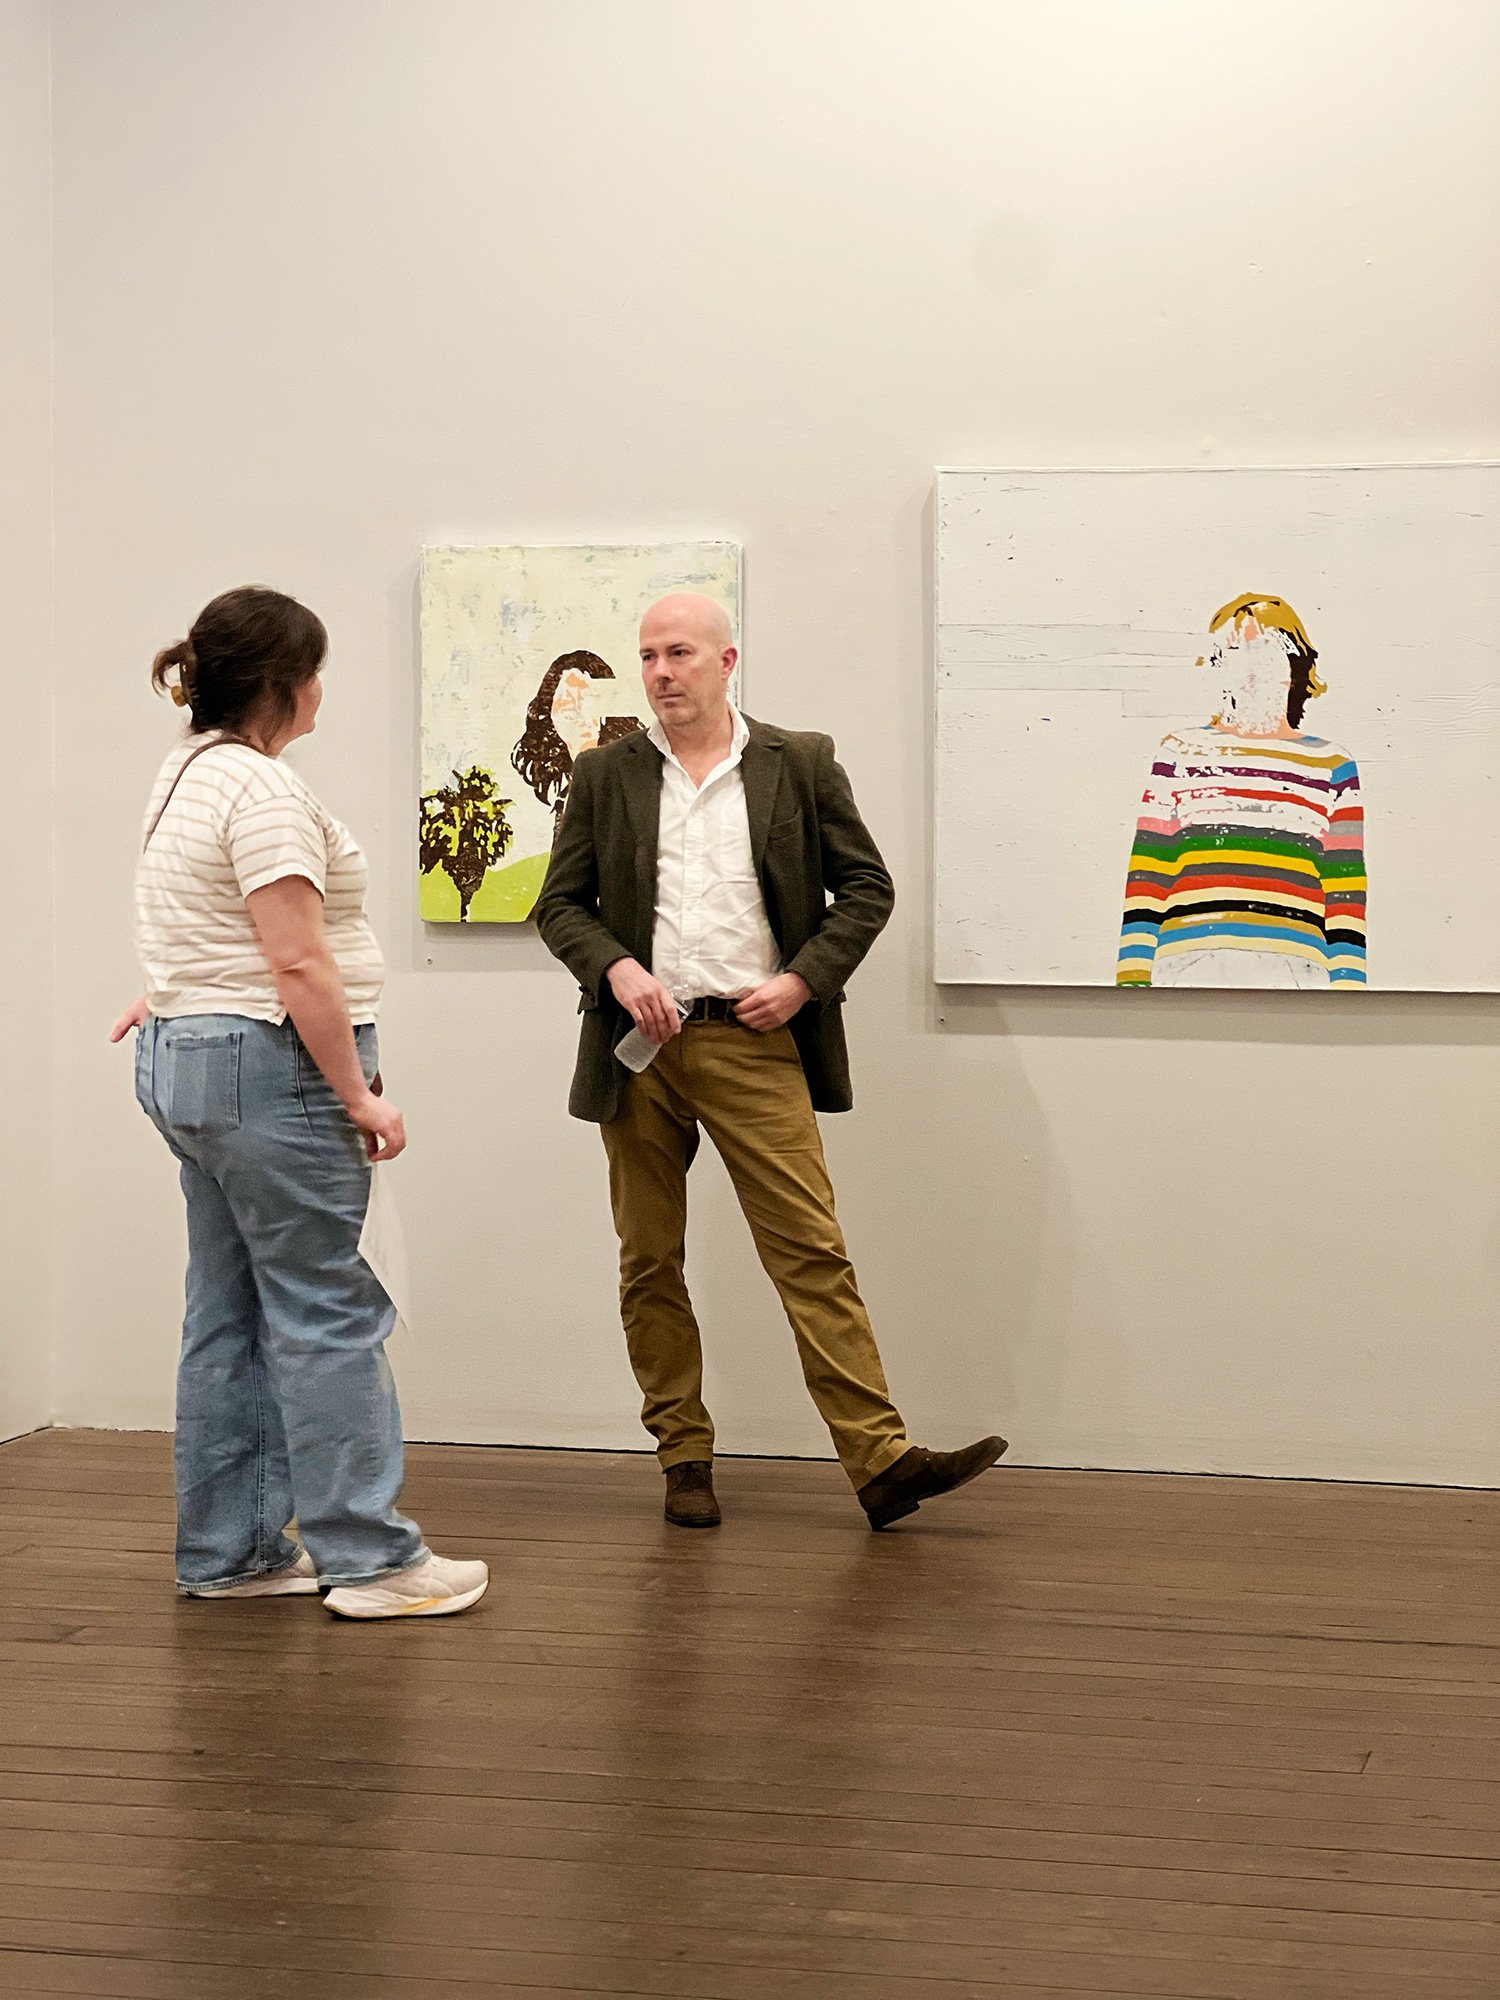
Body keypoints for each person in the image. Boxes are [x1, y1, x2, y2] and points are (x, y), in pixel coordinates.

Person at [534, 592, 1006, 1530]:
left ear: (726, 660)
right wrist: (619, 967)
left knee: (810, 1253)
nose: (660, 673)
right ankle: (683, 1456)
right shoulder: (606, 776)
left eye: (678, 654)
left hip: (755, 1042)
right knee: (649, 1263)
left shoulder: (799, 762)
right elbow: (561, 906)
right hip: (640, 1053)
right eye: (648, 657)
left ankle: (881, 1464)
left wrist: (802, 982)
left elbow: (867, 887)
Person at [112, 585, 488, 1618]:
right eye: (317, 671)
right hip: (269, 1065)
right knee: (330, 1307)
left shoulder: (183, 771)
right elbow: (296, 961)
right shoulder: (265, 792)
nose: (325, 690)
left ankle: (231, 1550)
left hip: (187, 1057)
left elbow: (201, 920)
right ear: (288, 682)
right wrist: (359, 1094)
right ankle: (369, 1557)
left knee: (226, 1310)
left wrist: (178, 995)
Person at [1117, 592, 1367, 988]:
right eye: (1233, 650)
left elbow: (1344, 893)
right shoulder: (1180, 753)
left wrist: (1350, 991)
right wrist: (1131, 983)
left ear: (1293, 663)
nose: (1250, 665)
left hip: (1298, 975)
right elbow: (1148, 877)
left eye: (1264, 649)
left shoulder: (1332, 764)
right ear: (1218, 667)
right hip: (1185, 969)